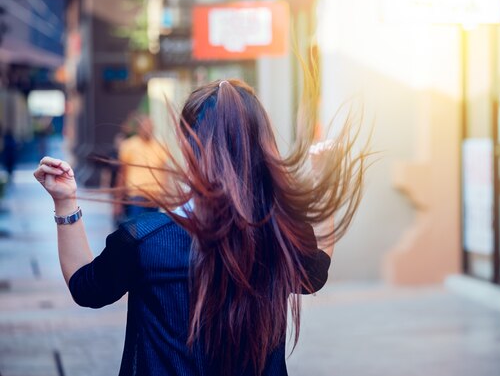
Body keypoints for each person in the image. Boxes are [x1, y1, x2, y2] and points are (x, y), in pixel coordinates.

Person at [33, 79, 367, 376]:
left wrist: (65, 203)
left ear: (187, 146)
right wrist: (326, 180)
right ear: (260, 146)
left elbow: (86, 287)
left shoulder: (146, 239)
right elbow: (317, 269)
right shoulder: (277, 235)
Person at [114, 115, 167, 224]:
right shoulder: (129, 145)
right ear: (139, 128)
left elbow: (164, 172)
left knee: (153, 230)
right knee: (138, 229)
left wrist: (166, 194)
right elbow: (122, 173)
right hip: (137, 196)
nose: (148, 129)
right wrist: (117, 201)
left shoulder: (160, 145)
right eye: (145, 126)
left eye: (150, 126)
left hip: (155, 197)